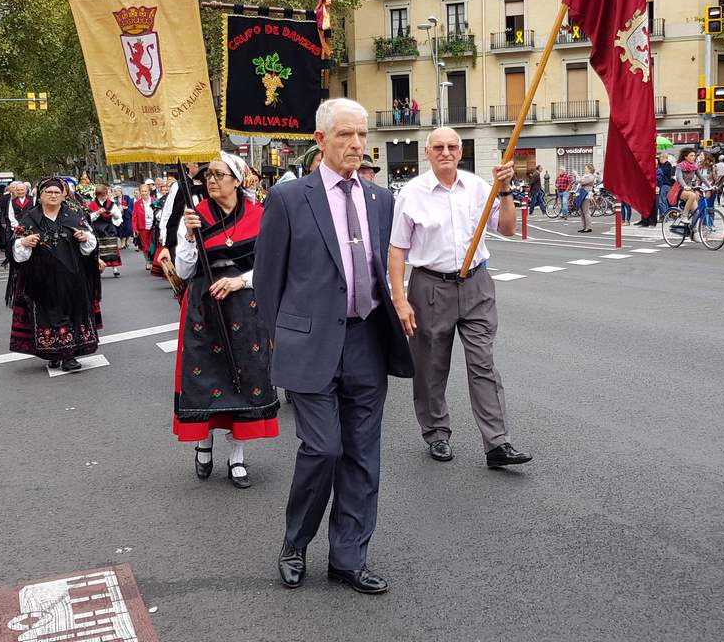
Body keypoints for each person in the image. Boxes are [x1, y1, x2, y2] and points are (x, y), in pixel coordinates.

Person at [254, 98, 413, 594]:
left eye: (362, 135)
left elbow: (387, 270)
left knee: (363, 455)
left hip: (366, 338)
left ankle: (348, 557)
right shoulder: (288, 199)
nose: (357, 145)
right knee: (323, 449)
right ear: (320, 141)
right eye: (346, 135)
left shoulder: (380, 198)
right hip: (309, 343)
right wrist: (274, 345)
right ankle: (295, 543)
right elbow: (267, 280)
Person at [389, 126, 530, 470]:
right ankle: (436, 431)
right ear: (428, 153)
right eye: (438, 147)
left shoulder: (479, 187)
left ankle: (497, 442)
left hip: (477, 285)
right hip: (431, 287)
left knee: (483, 363)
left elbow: (508, 228)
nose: (446, 152)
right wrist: (400, 299)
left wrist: (507, 189)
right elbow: (397, 250)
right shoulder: (412, 194)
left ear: (460, 150)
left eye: (452, 146)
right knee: (431, 365)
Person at [172, 153, 280, 489]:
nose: (212, 181)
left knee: (243, 381)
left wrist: (240, 281)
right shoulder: (194, 215)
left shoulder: (261, 216)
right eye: (208, 176)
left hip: (244, 307)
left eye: (220, 174)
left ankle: (237, 457)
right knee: (206, 379)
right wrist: (190, 239)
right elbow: (184, 269)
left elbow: (270, 265)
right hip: (204, 308)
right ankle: (204, 444)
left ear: (237, 179)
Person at [10, 178, 102, 371]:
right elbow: (16, 253)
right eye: (48, 192)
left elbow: (90, 244)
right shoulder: (29, 219)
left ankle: (68, 356)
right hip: (41, 280)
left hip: (72, 277)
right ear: (40, 195)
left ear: (63, 196)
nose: (53, 195)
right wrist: (24, 243)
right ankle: (53, 353)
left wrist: (85, 238)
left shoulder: (74, 216)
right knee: (47, 316)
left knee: (71, 313)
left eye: (57, 193)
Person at [88, 184, 123, 277]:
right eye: (101, 195)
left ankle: (115, 268)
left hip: (109, 228)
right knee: (98, 249)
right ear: (97, 195)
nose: (103, 197)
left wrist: (113, 213)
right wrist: (97, 213)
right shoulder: (92, 204)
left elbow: (118, 215)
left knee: (112, 248)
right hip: (97, 228)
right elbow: (89, 218)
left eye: (105, 195)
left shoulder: (111, 204)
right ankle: (98, 268)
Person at [672, 148, 705, 234]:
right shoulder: (680, 166)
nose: (693, 157)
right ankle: (684, 216)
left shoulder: (694, 166)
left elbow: (701, 177)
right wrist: (685, 186)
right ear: (685, 157)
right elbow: (679, 178)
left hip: (689, 190)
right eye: (691, 155)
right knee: (692, 195)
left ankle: (693, 231)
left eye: (694, 155)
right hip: (680, 189)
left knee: (696, 212)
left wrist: (711, 186)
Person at [132, 183, 155, 271]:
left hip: (153, 227)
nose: (144, 193)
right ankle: (148, 262)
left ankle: (153, 261)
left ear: (149, 192)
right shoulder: (137, 203)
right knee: (145, 246)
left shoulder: (155, 200)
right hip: (143, 227)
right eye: (142, 191)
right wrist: (135, 229)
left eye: (145, 191)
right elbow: (134, 217)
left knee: (153, 245)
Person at [576, 164, 599, 233]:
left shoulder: (591, 176)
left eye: (586, 168)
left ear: (590, 169)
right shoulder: (585, 176)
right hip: (582, 194)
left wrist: (577, 175)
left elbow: (582, 182)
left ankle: (588, 227)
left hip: (586, 195)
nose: (584, 169)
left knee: (585, 211)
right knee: (582, 212)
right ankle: (584, 227)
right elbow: (579, 181)